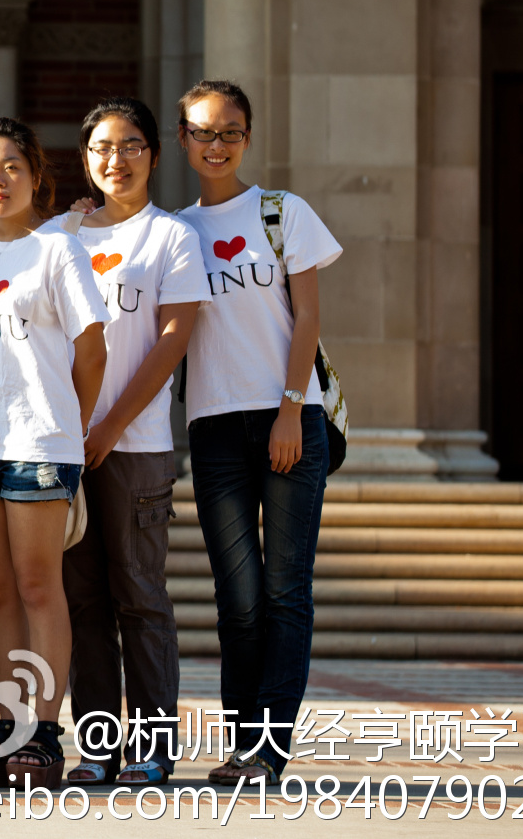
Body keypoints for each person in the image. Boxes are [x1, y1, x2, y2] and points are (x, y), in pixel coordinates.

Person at [0, 117, 108, 788]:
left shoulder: (58, 252)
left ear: (35, 174)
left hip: (39, 442)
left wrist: (70, 424)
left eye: (10, 166)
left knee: (38, 585)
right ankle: (3, 726)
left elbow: (92, 351)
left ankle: (44, 730)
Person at [173, 80, 341, 783]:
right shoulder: (172, 229)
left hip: (288, 417)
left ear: (247, 137)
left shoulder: (282, 211)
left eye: (231, 131)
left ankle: (268, 748)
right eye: (204, 131)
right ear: (183, 139)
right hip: (212, 426)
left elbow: (307, 317)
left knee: (283, 590)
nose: (217, 144)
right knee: (235, 596)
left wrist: (289, 406)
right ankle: (243, 739)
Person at [49, 98, 206, 786]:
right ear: (86, 157)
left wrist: (111, 425)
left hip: (135, 443)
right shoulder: (60, 233)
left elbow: (174, 337)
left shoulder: (170, 237)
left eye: (132, 144)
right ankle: (97, 746)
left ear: (155, 154)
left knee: (140, 593)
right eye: (103, 147)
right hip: (65, 444)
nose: (117, 159)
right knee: (81, 602)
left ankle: (151, 746)